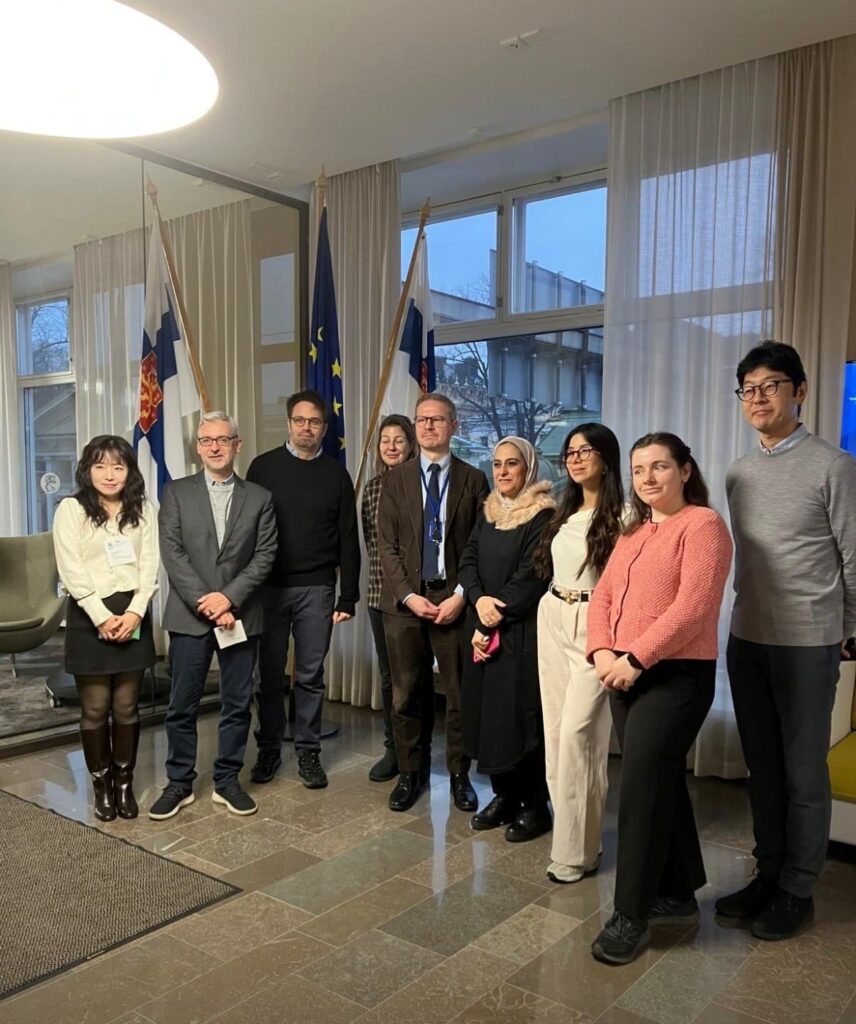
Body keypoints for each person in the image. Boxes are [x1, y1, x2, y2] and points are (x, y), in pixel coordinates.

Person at [717, 341, 856, 941]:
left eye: (770, 386)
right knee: (763, 768)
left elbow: (853, 557)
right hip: (748, 636)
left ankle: (798, 889)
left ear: (799, 391)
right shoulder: (739, 472)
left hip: (808, 641)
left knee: (802, 771)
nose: (758, 398)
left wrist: (849, 630)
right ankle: (767, 872)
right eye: (748, 389)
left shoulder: (834, 466)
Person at [586, 432, 733, 965]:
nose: (647, 478)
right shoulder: (634, 530)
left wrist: (634, 658)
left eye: (660, 467)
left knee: (640, 790)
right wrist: (603, 650)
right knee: (660, 779)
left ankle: (631, 913)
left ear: (685, 471)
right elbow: (603, 595)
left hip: (675, 677)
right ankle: (678, 890)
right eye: (639, 469)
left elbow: (693, 608)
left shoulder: (704, 526)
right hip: (623, 673)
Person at [149, 412, 277, 820]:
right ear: (198, 447)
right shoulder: (176, 492)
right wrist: (207, 601)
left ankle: (227, 781)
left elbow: (265, 555)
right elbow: (172, 552)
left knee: (237, 703)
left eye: (223, 439)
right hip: (190, 616)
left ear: (237, 445)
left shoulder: (260, 498)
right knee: (182, 705)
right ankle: (179, 783)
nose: (215, 447)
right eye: (207, 440)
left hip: (240, 616)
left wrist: (228, 599)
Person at [378, 393, 489, 812]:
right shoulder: (396, 479)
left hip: (454, 601)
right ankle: (411, 772)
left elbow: (479, 544)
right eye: (422, 419)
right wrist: (409, 595)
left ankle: (459, 774)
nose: (427, 426)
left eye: (437, 419)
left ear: (453, 426)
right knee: (406, 693)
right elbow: (386, 546)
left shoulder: (473, 479)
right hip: (406, 602)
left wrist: (461, 595)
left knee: (458, 695)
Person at [247, 389, 360, 789]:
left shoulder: (336, 475)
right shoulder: (262, 468)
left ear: (324, 428)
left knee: (310, 675)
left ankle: (308, 752)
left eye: (314, 422)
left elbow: (348, 537)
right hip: (269, 590)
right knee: (269, 675)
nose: (306, 428)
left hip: (318, 589)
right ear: (289, 423)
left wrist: (348, 595)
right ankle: (268, 749)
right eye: (300, 420)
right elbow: (246, 531)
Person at [533, 423, 625, 882]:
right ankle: (577, 843)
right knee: (555, 737)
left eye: (585, 450)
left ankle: (576, 852)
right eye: (570, 452)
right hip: (552, 613)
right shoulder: (563, 510)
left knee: (578, 737)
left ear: (606, 458)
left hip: (595, 625)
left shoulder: (627, 516)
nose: (575, 458)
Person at [52, 435, 159, 822]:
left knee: (127, 705)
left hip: (132, 612)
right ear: (87, 470)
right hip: (88, 614)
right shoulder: (71, 509)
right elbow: (70, 567)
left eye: (118, 466)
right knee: (96, 707)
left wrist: (135, 613)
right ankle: (102, 787)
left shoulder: (143, 508)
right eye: (100, 466)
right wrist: (100, 616)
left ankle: (124, 784)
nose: (109, 474)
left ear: (129, 470)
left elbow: (150, 565)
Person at [459, 437, 555, 841]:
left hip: (518, 633)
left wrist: (491, 617)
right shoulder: (490, 511)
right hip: (482, 628)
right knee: (489, 719)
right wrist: (477, 598)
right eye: (497, 463)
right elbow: (468, 559)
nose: (502, 471)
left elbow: (532, 575)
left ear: (528, 468)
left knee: (519, 719)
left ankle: (534, 805)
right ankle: (505, 795)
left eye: (511, 463)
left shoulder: (543, 515)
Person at [361, 413, 417, 782]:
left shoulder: (422, 484)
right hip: (380, 595)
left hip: (417, 597)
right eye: (385, 440)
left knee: (413, 678)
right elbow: (373, 544)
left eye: (399, 440)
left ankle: (417, 750)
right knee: (389, 678)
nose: (392, 446)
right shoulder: (372, 489)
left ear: (411, 445)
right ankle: (393, 748)